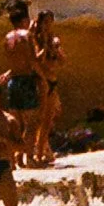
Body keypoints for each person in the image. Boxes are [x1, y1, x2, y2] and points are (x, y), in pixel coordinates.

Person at [3, 0, 41, 158]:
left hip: (13, 82)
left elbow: (13, 62)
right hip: (26, 80)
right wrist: (42, 76)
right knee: (32, 123)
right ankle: (29, 158)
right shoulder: (27, 36)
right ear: (25, 20)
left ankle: (14, 158)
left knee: (15, 124)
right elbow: (33, 61)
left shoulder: (7, 38)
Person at [33, 9, 63, 168]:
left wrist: (56, 49)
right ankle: (37, 153)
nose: (48, 25)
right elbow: (37, 60)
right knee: (39, 119)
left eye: (50, 22)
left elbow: (63, 61)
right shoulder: (35, 40)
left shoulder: (53, 39)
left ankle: (42, 150)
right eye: (45, 22)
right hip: (41, 81)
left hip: (52, 80)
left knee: (49, 119)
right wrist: (44, 44)